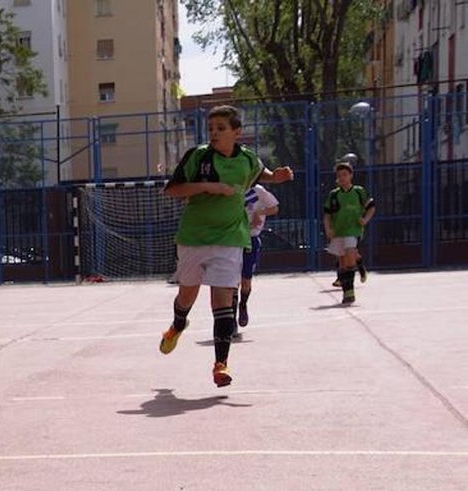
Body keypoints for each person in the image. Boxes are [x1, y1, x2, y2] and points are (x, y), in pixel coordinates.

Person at [158, 104, 294, 387]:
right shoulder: (198, 157)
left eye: (221, 129)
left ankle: (221, 364)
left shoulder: (247, 160)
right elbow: (171, 190)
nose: (215, 134)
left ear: (236, 133)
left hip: (230, 239)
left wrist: (276, 177)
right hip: (194, 237)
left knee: (222, 301)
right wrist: (207, 187)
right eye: (211, 129)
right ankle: (178, 325)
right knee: (187, 296)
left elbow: (261, 173)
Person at [324, 162, 375, 305]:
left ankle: (350, 292)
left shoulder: (359, 192)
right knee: (342, 261)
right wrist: (328, 229)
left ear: (351, 175)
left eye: (345, 175)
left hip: (354, 230)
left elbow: (371, 207)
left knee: (349, 256)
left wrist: (365, 219)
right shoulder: (334, 195)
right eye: (339, 175)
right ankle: (347, 287)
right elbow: (327, 214)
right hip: (338, 231)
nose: (342, 178)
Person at [234, 183, 280, 334]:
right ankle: (230, 320)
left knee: (245, 281)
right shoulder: (231, 187)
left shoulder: (257, 190)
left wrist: (259, 212)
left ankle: (243, 304)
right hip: (231, 240)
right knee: (231, 282)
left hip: (251, 239)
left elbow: (274, 208)